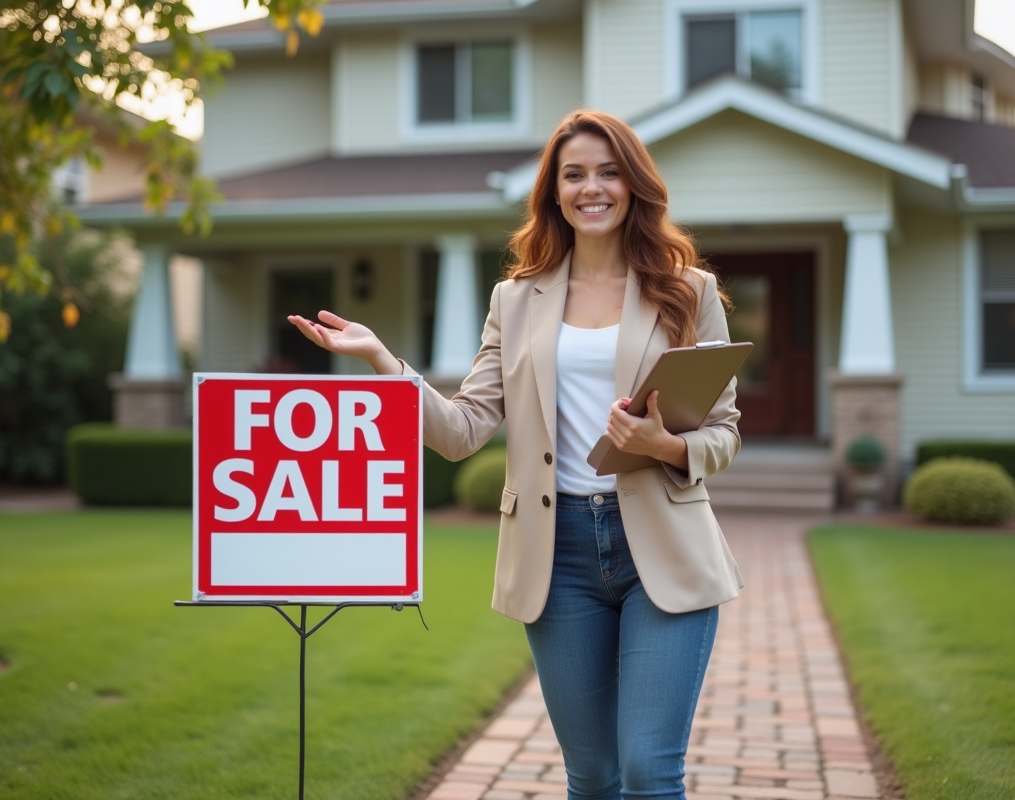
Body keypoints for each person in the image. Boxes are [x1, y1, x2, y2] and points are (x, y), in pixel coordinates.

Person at [289, 110, 743, 800]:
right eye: (574, 175)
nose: (592, 188)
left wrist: (666, 446)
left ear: (634, 183)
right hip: (556, 555)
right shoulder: (515, 299)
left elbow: (724, 431)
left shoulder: (689, 290)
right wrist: (384, 361)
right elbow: (461, 430)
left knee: (649, 771)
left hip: (664, 542)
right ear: (554, 192)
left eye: (609, 172)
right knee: (592, 776)